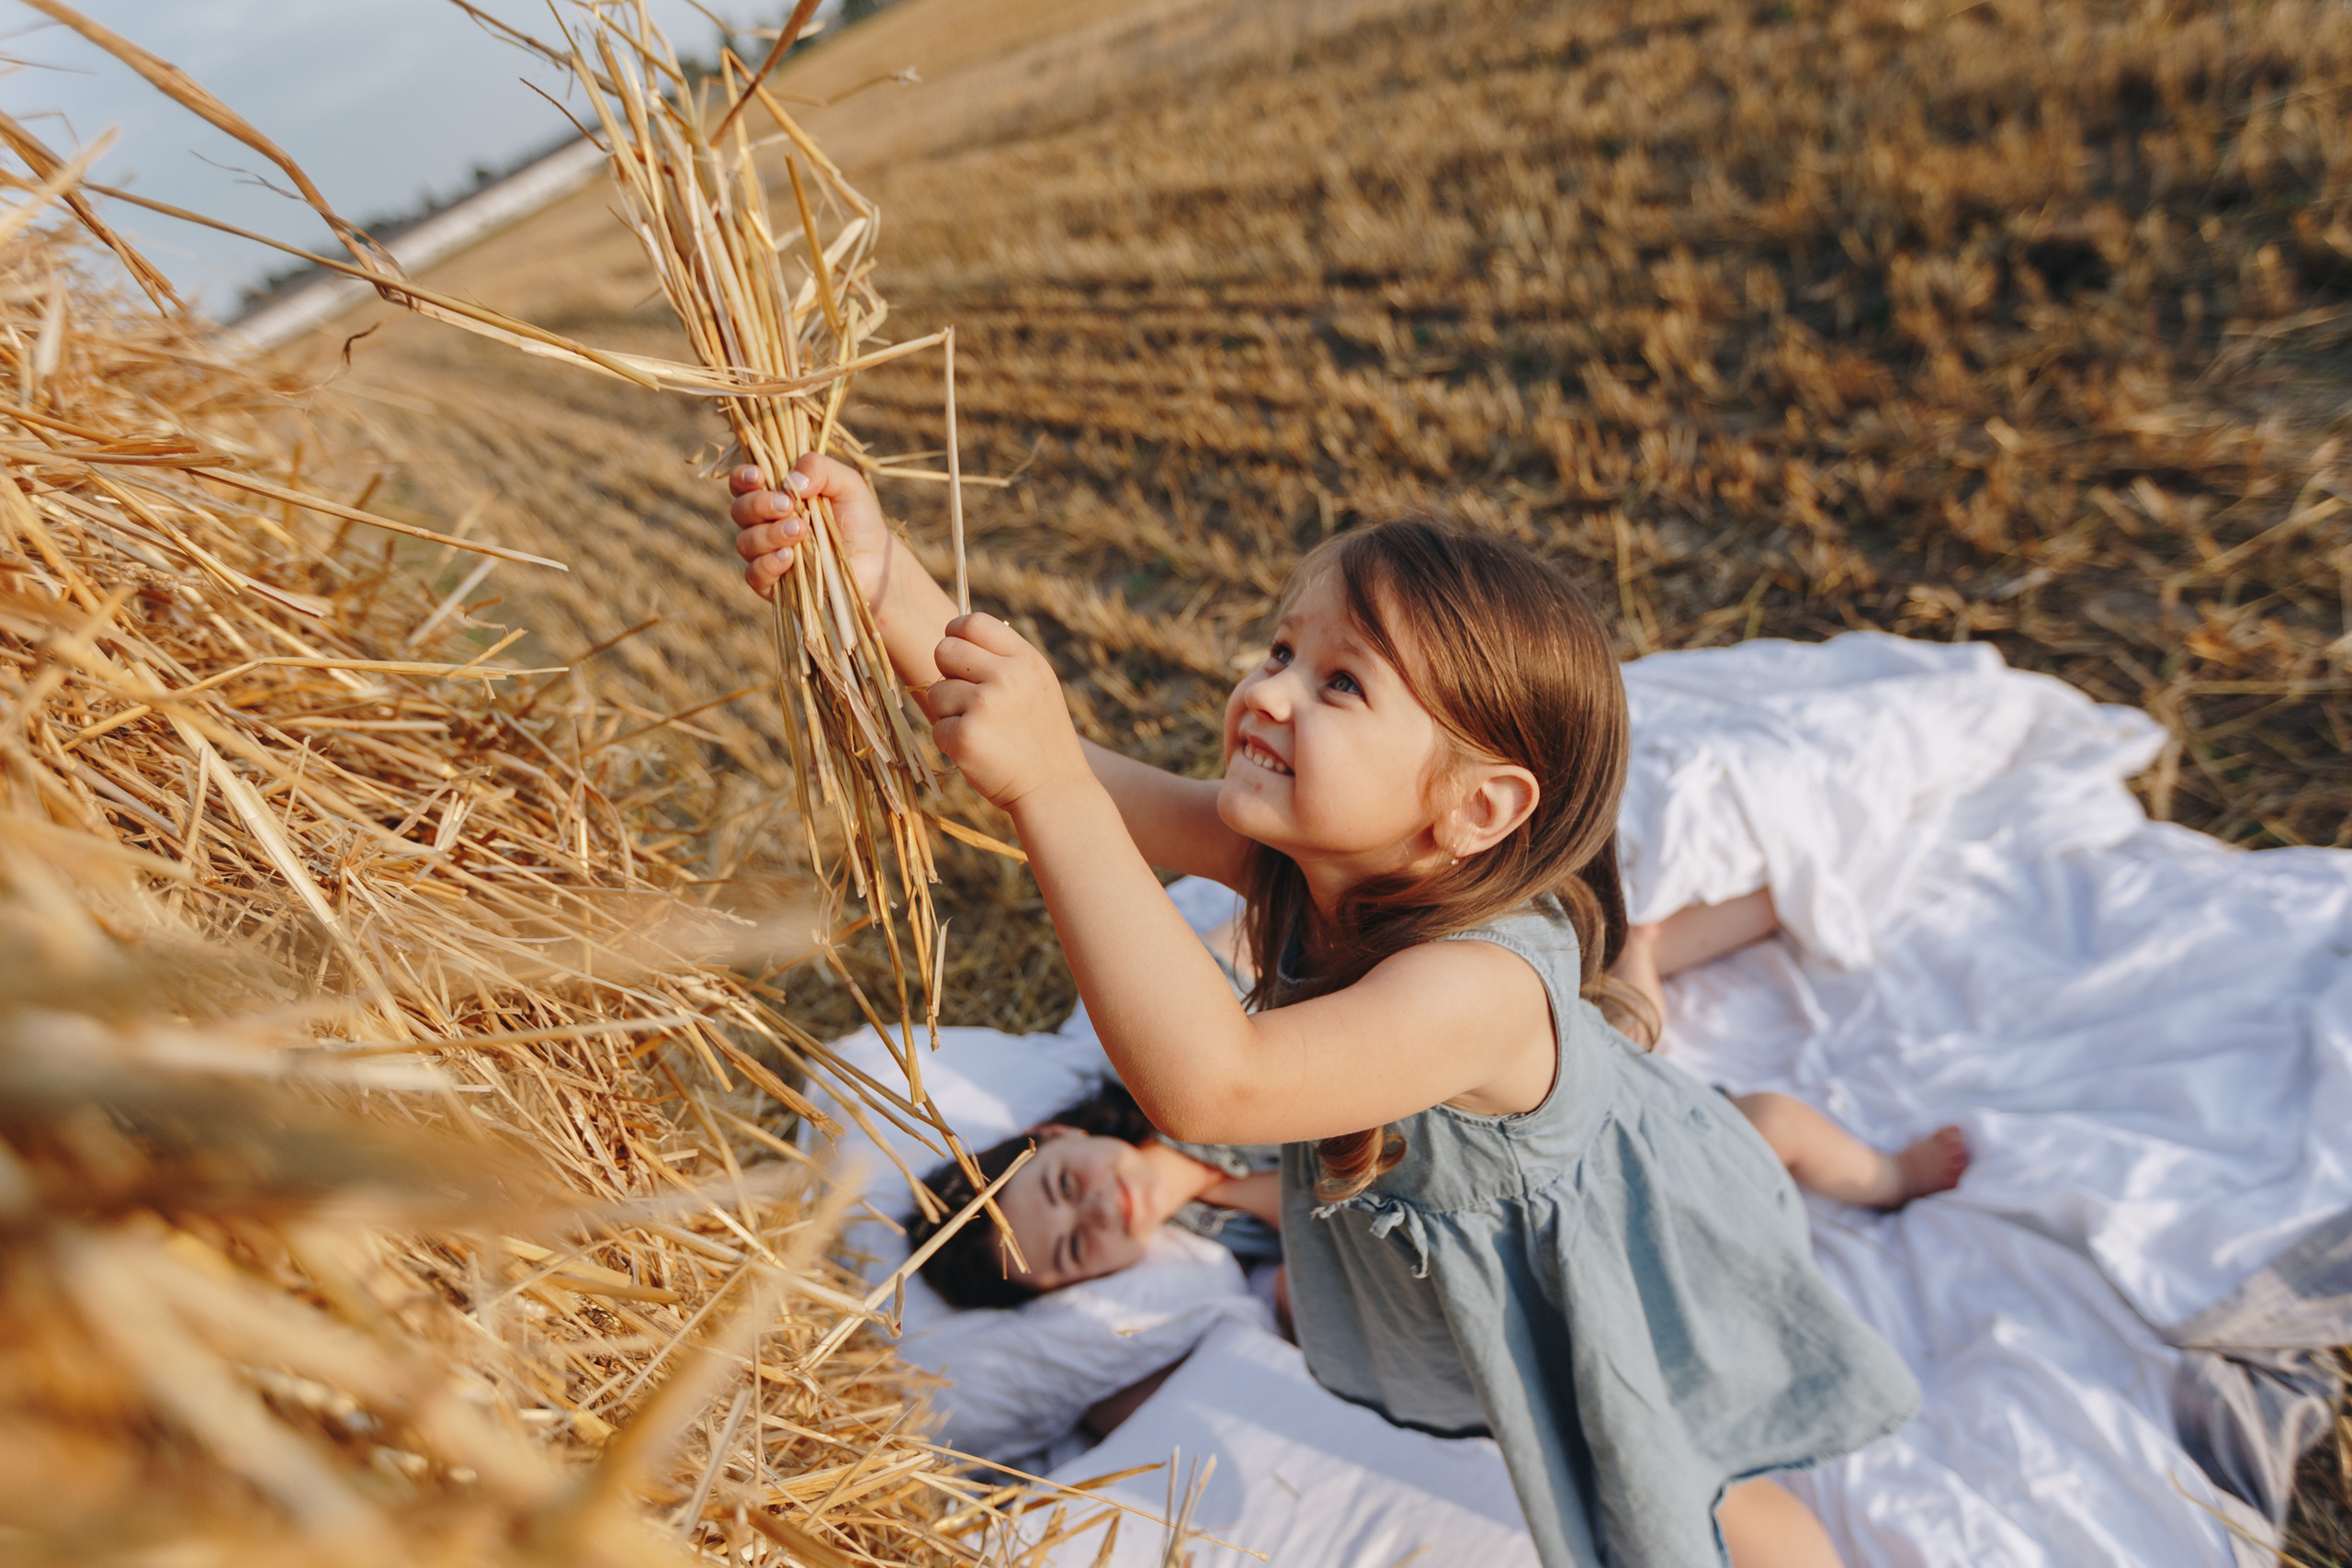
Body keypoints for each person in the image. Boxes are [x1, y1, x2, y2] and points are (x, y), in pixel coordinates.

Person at [727, 458, 1919, 1568]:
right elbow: (1095, 782)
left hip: (1610, 1250)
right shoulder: (1310, 869)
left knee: (1673, 1476)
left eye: (1339, 682)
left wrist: (1043, 782)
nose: (1268, 691)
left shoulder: (1477, 988)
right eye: (1280, 650)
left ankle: (1866, 1227)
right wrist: (879, 584)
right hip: (1484, 1247)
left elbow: (1214, 1081)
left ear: (1475, 807)